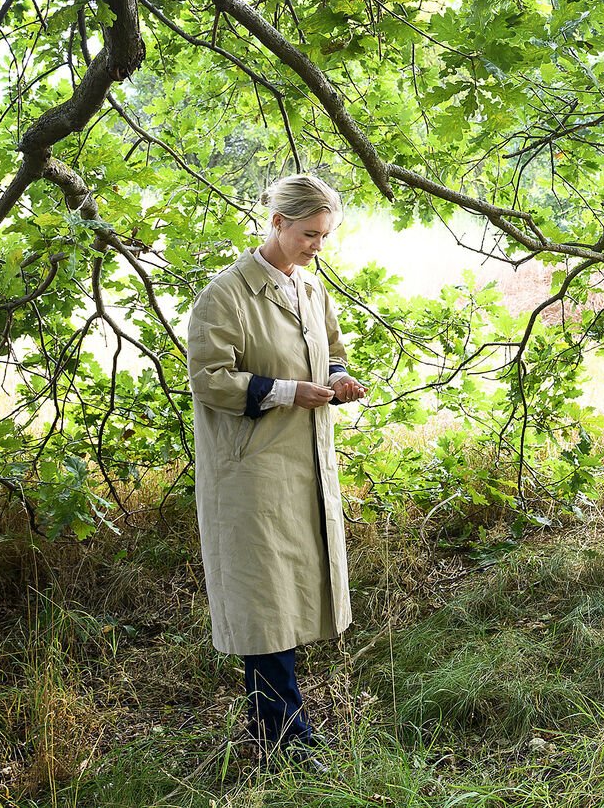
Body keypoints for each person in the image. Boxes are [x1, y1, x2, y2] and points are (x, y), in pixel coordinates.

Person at [185, 174, 368, 766]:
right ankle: (285, 740)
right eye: (310, 234)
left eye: (325, 236)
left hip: (304, 465)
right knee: (264, 605)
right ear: (278, 222)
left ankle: (283, 731)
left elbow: (332, 351)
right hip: (252, 474)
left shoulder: (310, 290)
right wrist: (290, 391)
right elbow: (209, 380)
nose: (318, 246)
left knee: (289, 597)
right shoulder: (226, 295)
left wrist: (340, 379)